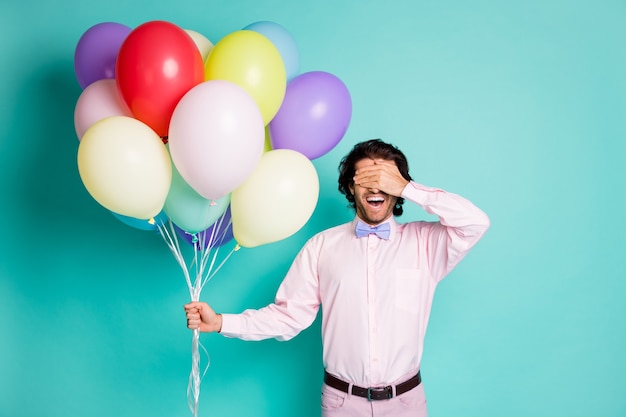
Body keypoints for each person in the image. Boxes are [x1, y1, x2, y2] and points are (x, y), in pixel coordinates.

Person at [185, 138, 490, 417]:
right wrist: (222, 322)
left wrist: (409, 188)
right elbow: (288, 316)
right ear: (350, 187)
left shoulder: (427, 243)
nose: (375, 188)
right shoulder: (321, 247)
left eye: (384, 181)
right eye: (365, 180)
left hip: (406, 403)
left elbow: (476, 223)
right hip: (342, 404)